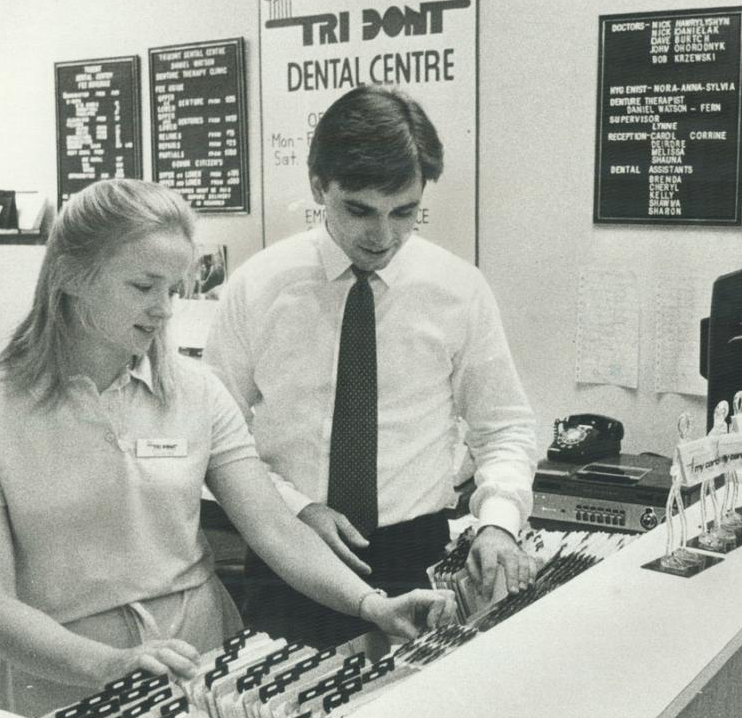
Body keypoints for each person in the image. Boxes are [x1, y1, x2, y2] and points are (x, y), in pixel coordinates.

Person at [0, 179, 452, 718]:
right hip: (63, 669)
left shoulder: (197, 391)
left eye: (174, 290)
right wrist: (108, 664)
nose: (162, 310)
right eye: (143, 286)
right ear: (69, 276)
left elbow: (275, 528)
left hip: (200, 657)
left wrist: (372, 604)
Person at [205, 85, 537, 650]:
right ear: (319, 186)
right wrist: (293, 507)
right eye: (358, 209)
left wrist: (501, 520)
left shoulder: (458, 290)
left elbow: (503, 427)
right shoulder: (258, 288)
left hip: (419, 559)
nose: (382, 235)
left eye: (404, 212)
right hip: (290, 553)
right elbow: (216, 437)